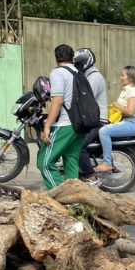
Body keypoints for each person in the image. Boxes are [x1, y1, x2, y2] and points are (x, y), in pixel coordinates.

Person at [38, 44, 86, 190]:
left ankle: (60, 198)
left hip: (65, 124)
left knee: (44, 162)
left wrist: (47, 126)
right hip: (80, 125)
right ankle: (74, 203)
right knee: (71, 162)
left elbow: (58, 101)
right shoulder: (79, 72)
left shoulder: (58, 73)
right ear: (72, 58)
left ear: (56, 57)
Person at [94, 66, 135, 173]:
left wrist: (116, 106)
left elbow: (130, 111)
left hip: (133, 123)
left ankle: (107, 163)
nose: (120, 78)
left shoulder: (133, 91)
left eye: (123, 75)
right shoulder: (126, 90)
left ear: (130, 78)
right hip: (127, 121)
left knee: (104, 131)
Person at [73, 48, 108, 187]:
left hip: (97, 121)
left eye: (80, 63)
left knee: (79, 145)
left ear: (87, 62)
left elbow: (85, 99)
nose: (78, 66)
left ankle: (92, 178)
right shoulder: (87, 76)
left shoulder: (94, 77)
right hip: (90, 120)